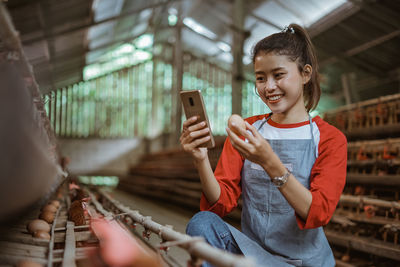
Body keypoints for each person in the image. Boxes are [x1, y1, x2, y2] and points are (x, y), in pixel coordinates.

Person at [180, 23, 347, 267]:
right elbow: (221, 203)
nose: (268, 87)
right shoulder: (246, 130)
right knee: (202, 222)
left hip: (304, 262)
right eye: (260, 78)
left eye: (278, 75)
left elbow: (318, 212)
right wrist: (200, 158)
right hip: (254, 257)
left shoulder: (329, 138)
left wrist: (270, 162)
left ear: (305, 74)